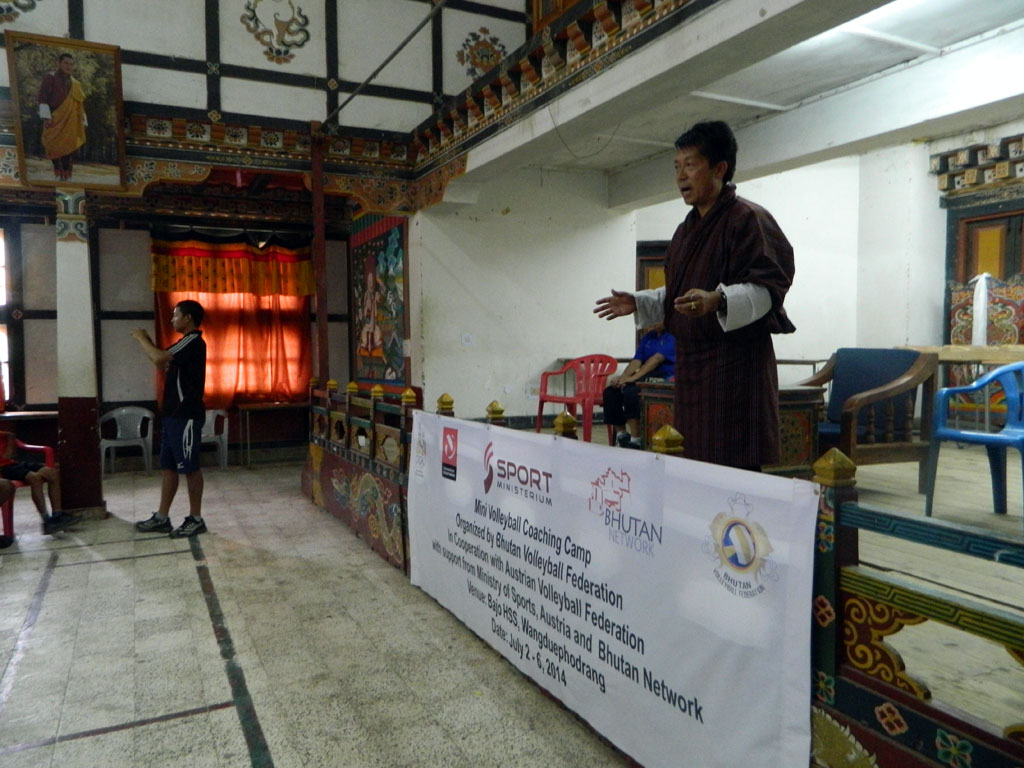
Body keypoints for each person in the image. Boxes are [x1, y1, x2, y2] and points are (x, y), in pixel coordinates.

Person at [595, 121, 795, 470]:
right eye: (677, 166)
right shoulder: (685, 231)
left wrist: (719, 300)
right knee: (694, 462)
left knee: (733, 464)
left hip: (734, 368)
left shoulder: (748, 219)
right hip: (692, 368)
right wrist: (640, 302)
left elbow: (768, 290)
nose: (680, 176)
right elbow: (682, 294)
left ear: (720, 169)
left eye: (690, 165)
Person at [131, 300, 208, 537]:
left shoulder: (192, 340)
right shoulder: (182, 345)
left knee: (190, 468)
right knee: (168, 468)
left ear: (188, 318)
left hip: (186, 416)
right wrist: (149, 342)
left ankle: (196, 519)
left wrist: (141, 339)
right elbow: (162, 358)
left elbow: (158, 359)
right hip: (172, 416)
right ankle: (162, 517)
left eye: (176, 315)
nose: (172, 319)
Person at [604, 323, 675, 449]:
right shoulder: (649, 336)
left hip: (665, 376)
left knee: (632, 393)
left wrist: (633, 378)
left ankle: (635, 439)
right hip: (645, 374)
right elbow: (637, 360)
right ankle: (621, 435)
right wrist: (622, 378)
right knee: (611, 392)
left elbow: (656, 360)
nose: (652, 322)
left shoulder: (672, 337)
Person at [0, 431, 80, 535]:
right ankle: (47, 520)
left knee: (52, 473)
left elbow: (10, 437)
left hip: (13, 464)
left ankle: (57, 515)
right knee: (35, 478)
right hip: (3, 469)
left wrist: (9, 445)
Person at [36, 52, 87, 181]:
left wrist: (83, 119)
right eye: (65, 63)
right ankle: (57, 174)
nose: (68, 66)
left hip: (70, 120)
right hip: (54, 117)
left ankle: (66, 178)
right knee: (52, 145)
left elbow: (79, 103)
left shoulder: (76, 83)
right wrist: (46, 117)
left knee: (68, 150)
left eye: (71, 64)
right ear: (59, 63)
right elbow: (43, 98)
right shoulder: (50, 77)